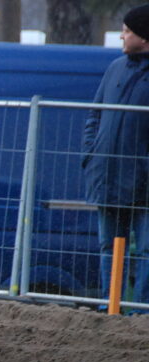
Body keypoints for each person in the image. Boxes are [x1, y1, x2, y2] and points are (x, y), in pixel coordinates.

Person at [82, 3, 149, 308]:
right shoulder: (114, 68)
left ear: (144, 37)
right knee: (108, 246)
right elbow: (94, 116)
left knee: (146, 250)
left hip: (143, 182)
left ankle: (141, 311)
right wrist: (91, 155)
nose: (122, 36)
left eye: (127, 31)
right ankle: (110, 305)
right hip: (107, 174)